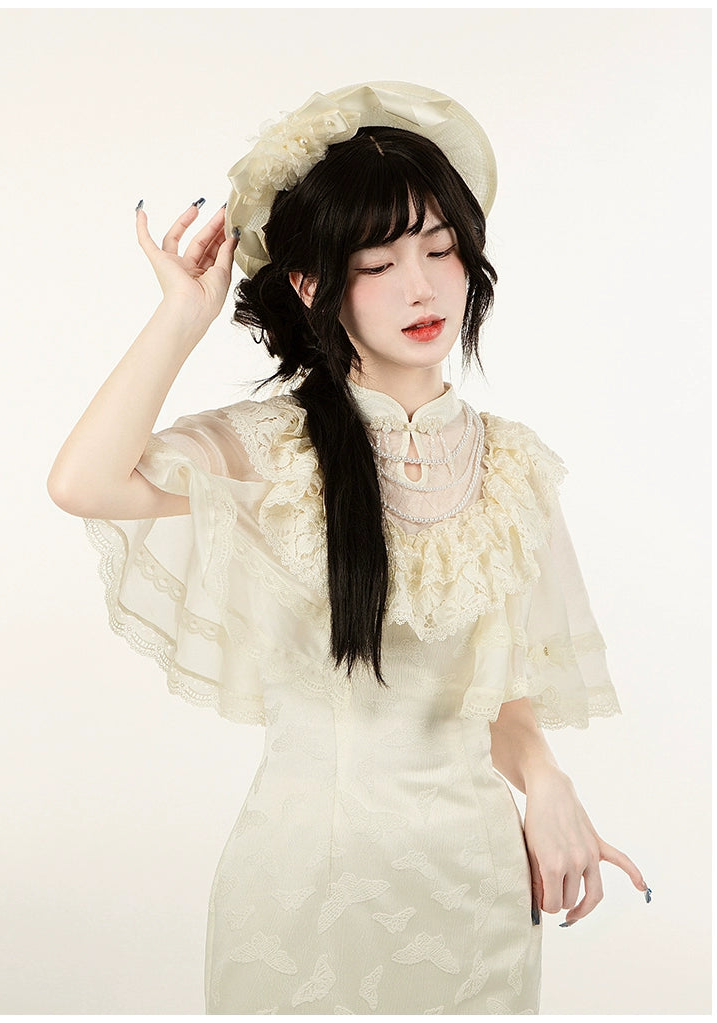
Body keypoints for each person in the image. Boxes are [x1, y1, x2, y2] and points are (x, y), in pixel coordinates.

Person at [47, 81, 650, 1015]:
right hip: (301, 890)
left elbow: (499, 692)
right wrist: (180, 317)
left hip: (475, 893)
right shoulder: (271, 451)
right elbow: (83, 482)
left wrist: (548, 783)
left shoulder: (513, 468)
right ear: (311, 284)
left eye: (441, 250)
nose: (423, 287)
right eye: (377, 262)